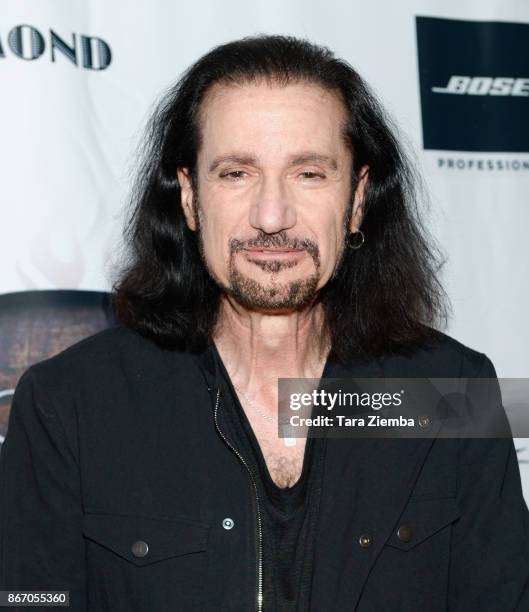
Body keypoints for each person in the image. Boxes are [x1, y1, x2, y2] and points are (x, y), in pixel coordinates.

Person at [1, 35, 528, 612]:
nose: (271, 217)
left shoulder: (451, 392)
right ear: (189, 198)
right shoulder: (70, 403)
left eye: (309, 173)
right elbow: (29, 597)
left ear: (356, 199)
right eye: (236, 173)